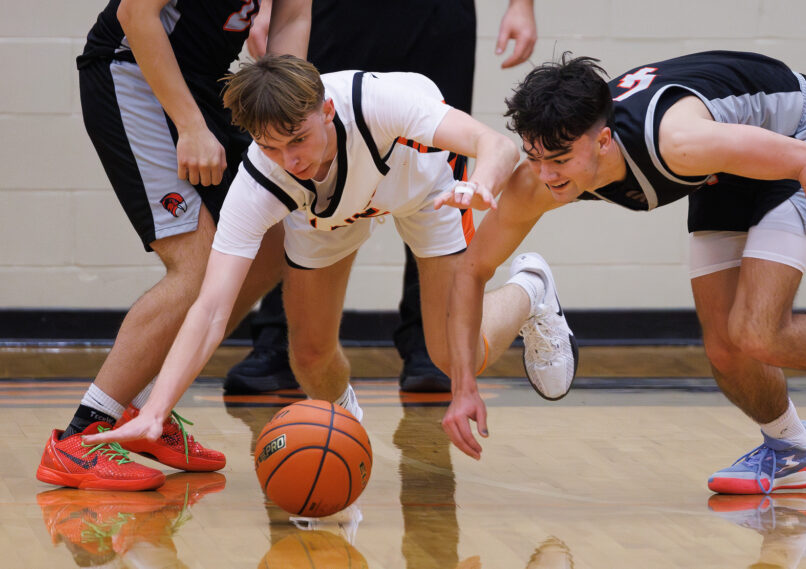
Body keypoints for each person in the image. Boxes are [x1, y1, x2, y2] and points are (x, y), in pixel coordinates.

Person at [441, 51, 806, 493]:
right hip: (724, 170)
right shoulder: (541, 176)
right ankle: (791, 450)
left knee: (757, 330)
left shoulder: (677, 142)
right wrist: (463, 385)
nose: (544, 175)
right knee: (725, 346)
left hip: (802, 135)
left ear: (602, 140)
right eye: (535, 157)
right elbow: (472, 270)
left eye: (558, 159)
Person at [82, 55, 577, 461]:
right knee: (310, 355)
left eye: (298, 139)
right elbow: (211, 308)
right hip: (332, 211)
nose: (290, 159)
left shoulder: (380, 103)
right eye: (270, 147)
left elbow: (498, 145)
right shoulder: (261, 179)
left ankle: (530, 288)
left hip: (429, 189)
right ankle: (348, 433)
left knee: (449, 354)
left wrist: (480, 186)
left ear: (327, 110)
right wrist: (156, 409)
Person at [36, 0, 311, 491]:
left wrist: (284, 115)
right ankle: (81, 437)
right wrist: (189, 126)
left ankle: (146, 410)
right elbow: (136, 15)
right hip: (135, 71)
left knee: (272, 243)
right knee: (198, 264)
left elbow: (292, 16)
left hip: (206, 82)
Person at [228, 0, 538, 394]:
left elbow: (493, 144)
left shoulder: (389, 102)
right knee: (298, 147)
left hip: (435, 27)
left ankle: (450, 329)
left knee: (455, 352)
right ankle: (280, 341)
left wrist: (520, 5)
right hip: (336, 16)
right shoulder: (299, 136)